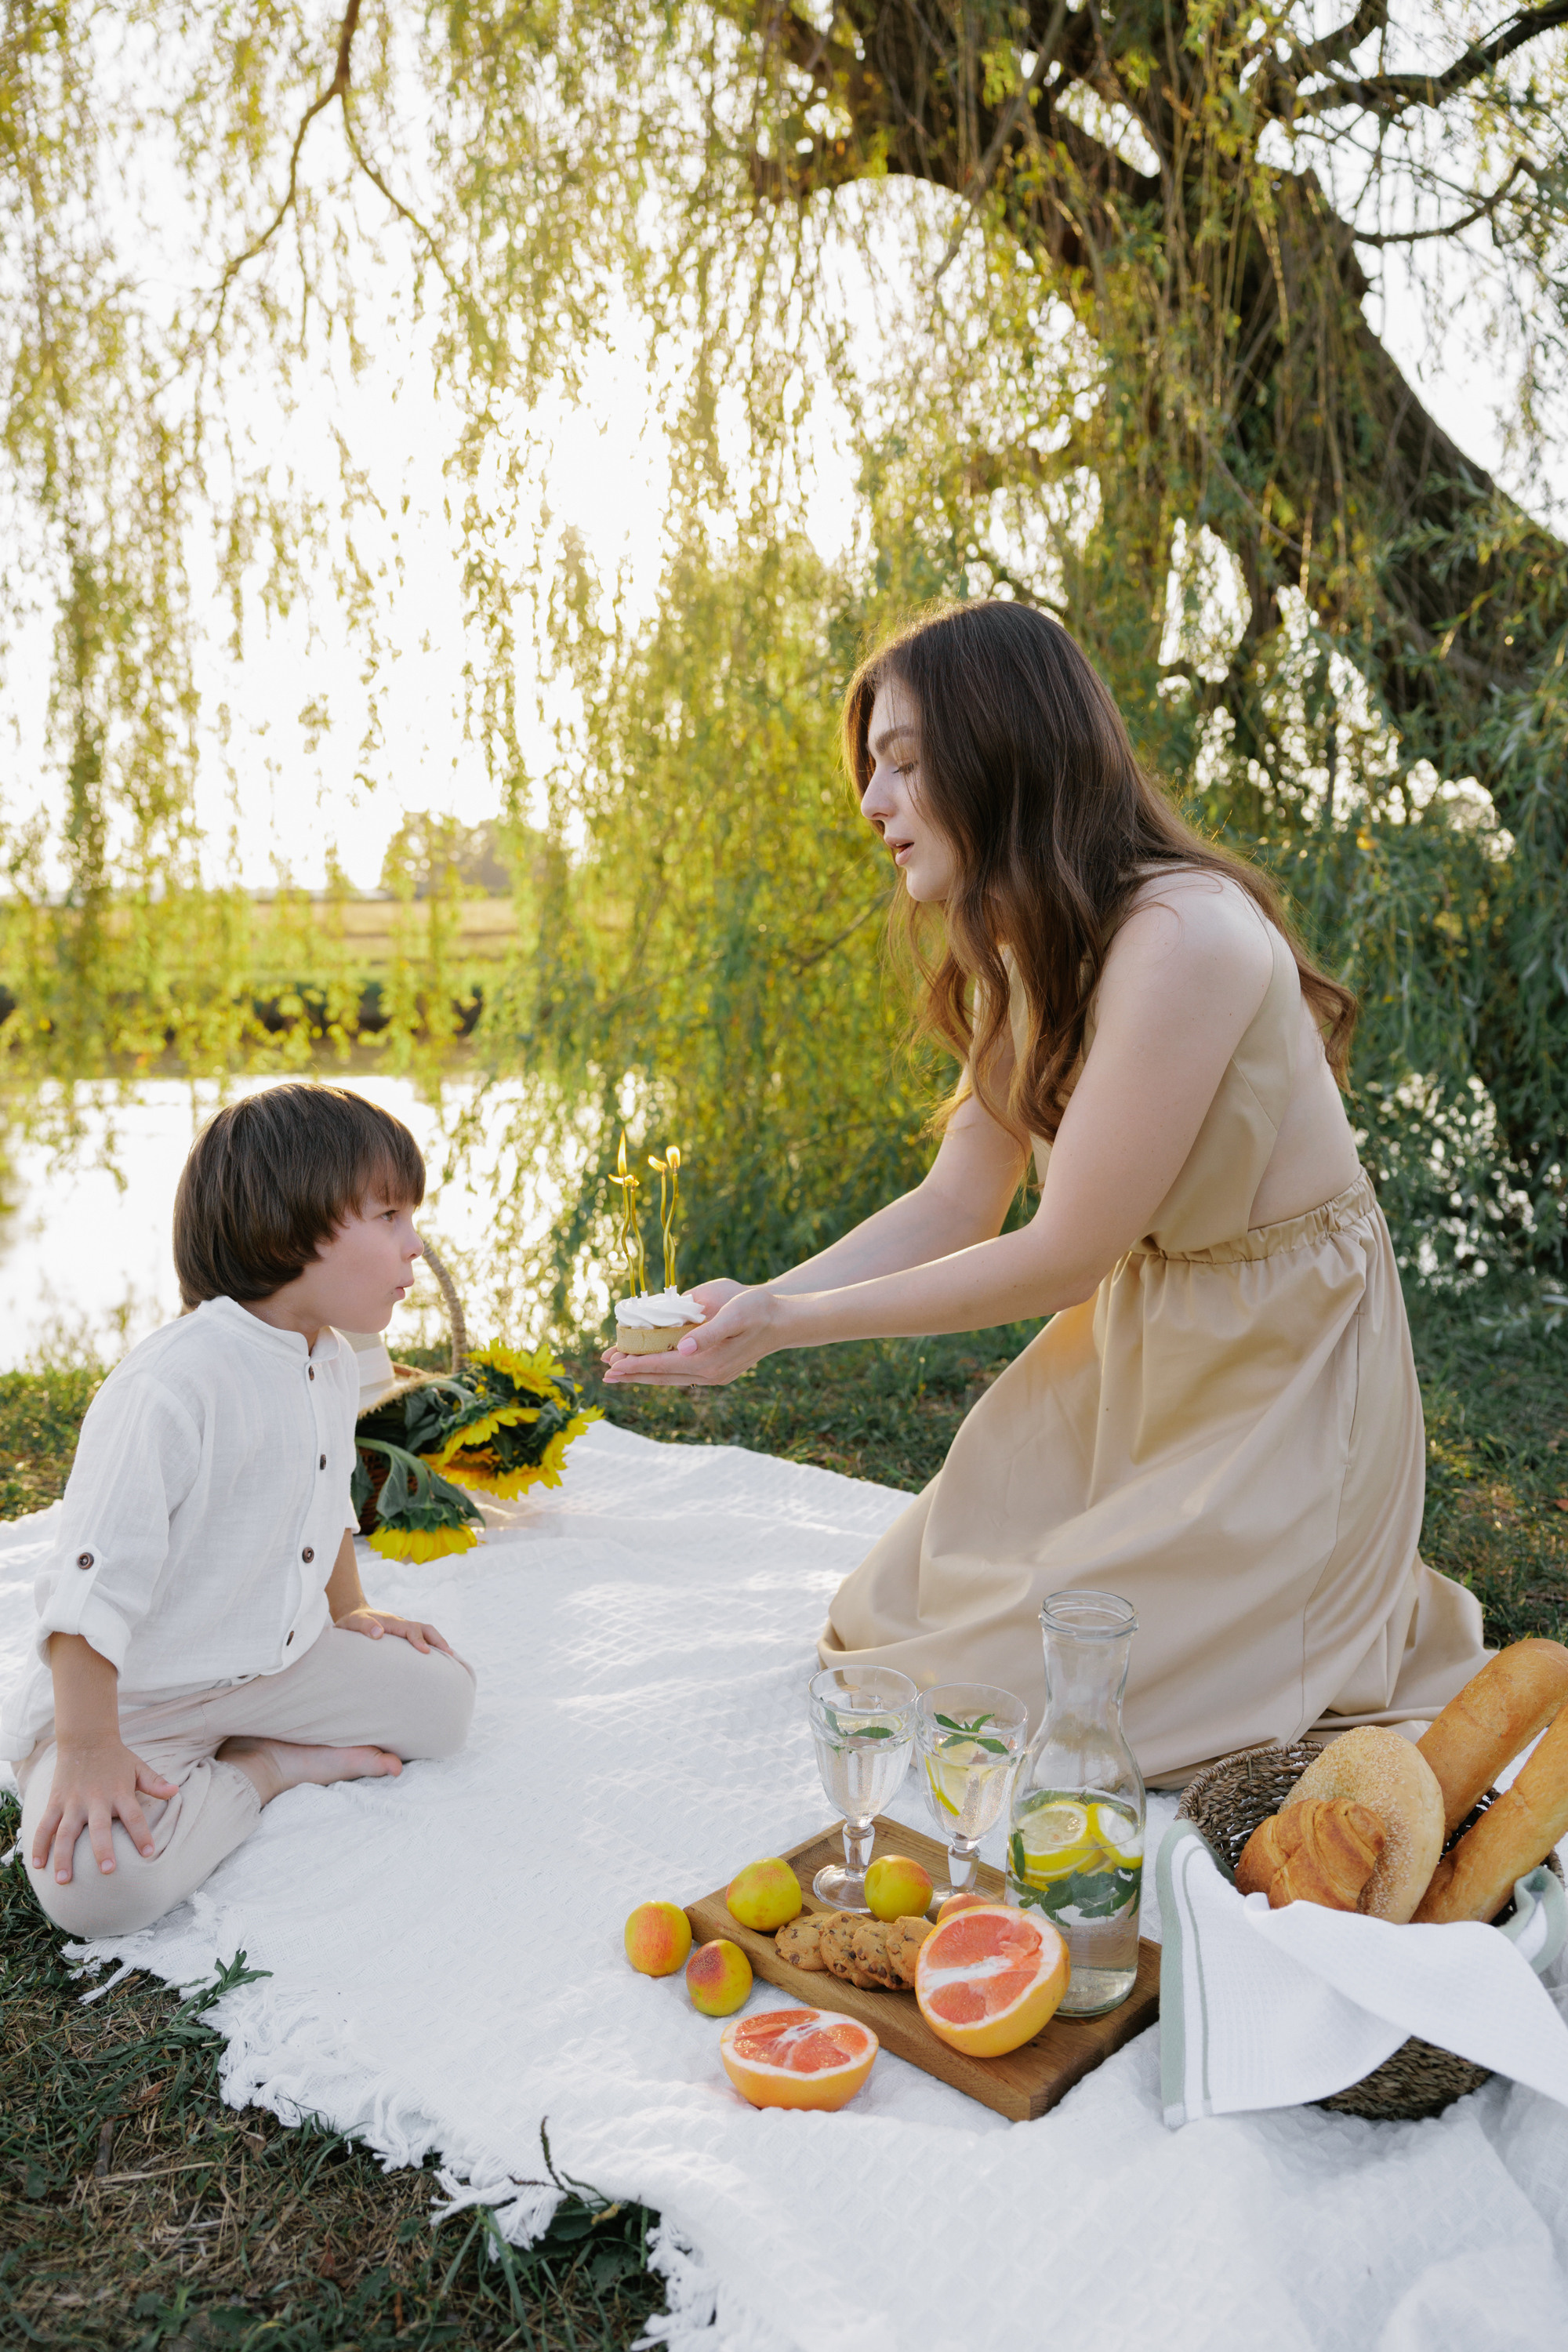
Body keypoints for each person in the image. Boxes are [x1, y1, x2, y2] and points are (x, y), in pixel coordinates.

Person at [603, 601, 1486, 1784]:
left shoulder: (1182, 937)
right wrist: (756, 1304)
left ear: (1006, 753)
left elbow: (1066, 1254)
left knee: (1028, 1701)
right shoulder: (1035, 942)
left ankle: (1304, 1594)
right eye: (873, 769)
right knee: (892, 1622)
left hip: (1285, 1365)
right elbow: (955, 1203)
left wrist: (797, 1328)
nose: (873, 804)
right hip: (1142, 1347)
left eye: (905, 765)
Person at [4, 1083, 475, 1933]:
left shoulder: (335, 1357)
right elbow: (87, 1588)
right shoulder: (171, 1385)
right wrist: (88, 1750)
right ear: (292, 1226)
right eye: (389, 1215)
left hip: (277, 1665)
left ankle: (256, 1745)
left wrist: (353, 1611)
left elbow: (324, 1493)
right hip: (138, 1698)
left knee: (445, 1703)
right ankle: (266, 1772)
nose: (414, 1246)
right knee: (94, 1890)